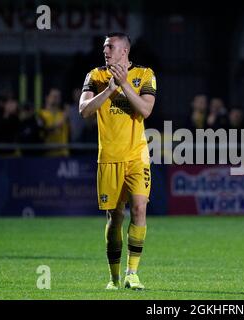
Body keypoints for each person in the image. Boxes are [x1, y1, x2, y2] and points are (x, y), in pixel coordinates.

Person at [79, 32, 156, 291]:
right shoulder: (95, 76)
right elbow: (84, 110)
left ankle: (132, 273)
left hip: (137, 156)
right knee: (115, 217)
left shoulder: (145, 74)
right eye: (104, 46)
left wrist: (124, 85)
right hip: (109, 157)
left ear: (124, 50)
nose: (105, 50)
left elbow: (145, 110)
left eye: (110, 46)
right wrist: (109, 90)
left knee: (139, 209)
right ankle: (113, 277)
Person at [39, 88, 69, 157]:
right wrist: (59, 124)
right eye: (54, 96)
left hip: (63, 154)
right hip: (48, 154)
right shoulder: (41, 114)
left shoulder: (63, 114)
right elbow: (43, 131)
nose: (56, 99)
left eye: (58, 97)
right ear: (47, 98)